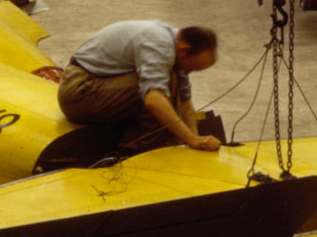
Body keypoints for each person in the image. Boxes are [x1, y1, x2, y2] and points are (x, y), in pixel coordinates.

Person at [54, 21, 222, 155]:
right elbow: (153, 100)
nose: (188, 72)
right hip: (78, 93)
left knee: (169, 82)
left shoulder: (175, 44)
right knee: (162, 88)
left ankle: (140, 144)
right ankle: (137, 152)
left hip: (98, 85)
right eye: (191, 67)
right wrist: (191, 139)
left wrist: (196, 139)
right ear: (184, 51)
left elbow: (185, 100)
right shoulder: (159, 44)